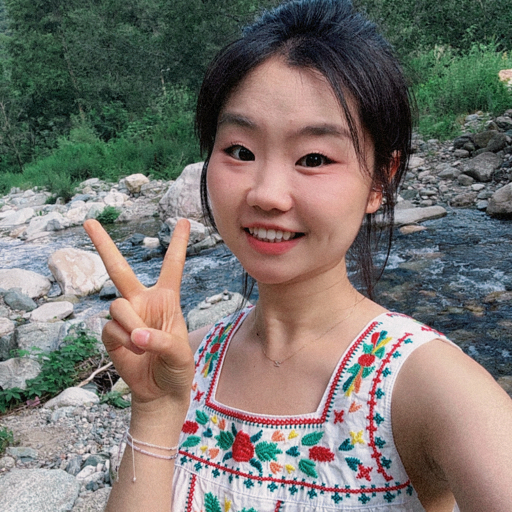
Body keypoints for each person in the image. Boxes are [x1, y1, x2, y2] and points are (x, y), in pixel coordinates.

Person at [84, 0, 512, 510]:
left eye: (313, 158)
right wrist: (155, 410)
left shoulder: (424, 386)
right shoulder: (180, 362)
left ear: (381, 180)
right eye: (240, 151)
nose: (267, 194)